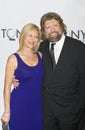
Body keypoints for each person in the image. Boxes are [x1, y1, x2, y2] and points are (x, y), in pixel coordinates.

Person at [13, 12, 85, 130]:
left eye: (55, 25)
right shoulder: (39, 47)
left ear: (62, 26)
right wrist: (14, 77)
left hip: (70, 114)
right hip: (45, 113)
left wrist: (78, 107)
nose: (52, 29)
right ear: (44, 31)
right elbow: (24, 64)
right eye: (48, 27)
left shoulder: (78, 47)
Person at [1, 23, 44, 130]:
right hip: (19, 105)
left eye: (36, 37)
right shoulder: (13, 59)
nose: (33, 39)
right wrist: (7, 111)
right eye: (30, 35)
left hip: (38, 105)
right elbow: (6, 88)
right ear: (23, 36)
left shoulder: (40, 55)